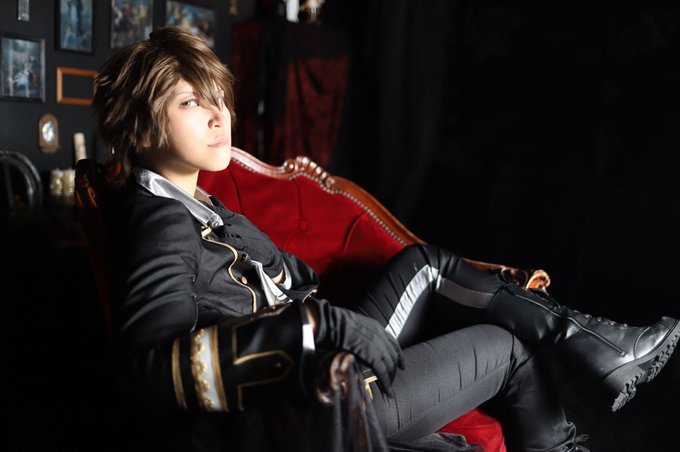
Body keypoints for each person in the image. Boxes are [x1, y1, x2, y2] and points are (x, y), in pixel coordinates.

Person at [92, 27, 679, 452]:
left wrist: (307, 307)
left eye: (219, 96)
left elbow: (287, 278)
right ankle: (597, 359)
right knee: (504, 346)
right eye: (191, 101)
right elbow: (150, 371)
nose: (220, 115)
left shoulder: (199, 205)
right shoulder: (159, 223)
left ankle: (597, 348)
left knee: (428, 265)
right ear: (139, 128)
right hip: (309, 403)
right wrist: (315, 326)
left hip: (323, 368)